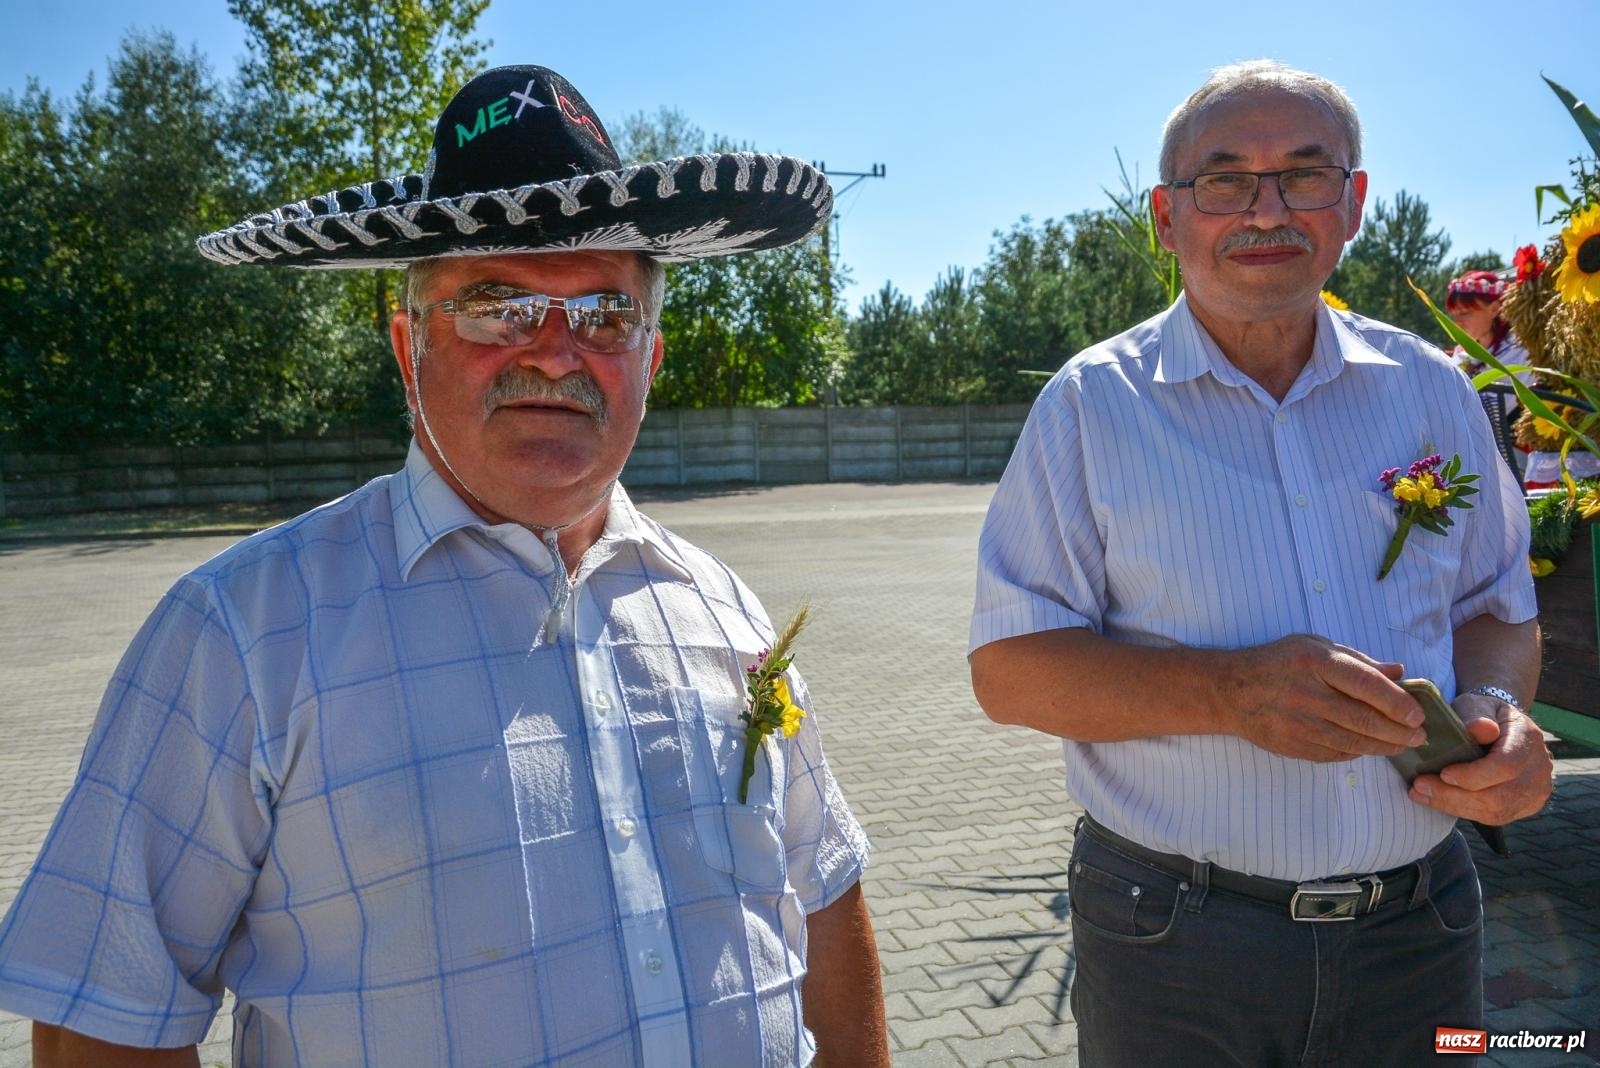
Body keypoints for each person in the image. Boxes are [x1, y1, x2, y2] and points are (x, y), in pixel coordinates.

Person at [0, 65, 888, 1068]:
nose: (553, 352)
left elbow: (821, 892)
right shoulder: (242, 635)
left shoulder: (720, 607)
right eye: (495, 304)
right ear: (404, 344)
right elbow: (102, 1018)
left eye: (602, 313)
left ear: (651, 354)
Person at [969, 60, 1552, 1066]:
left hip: (1423, 928)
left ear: (1355, 202)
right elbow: (1010, 670)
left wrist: (1501, 712)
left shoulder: (1431, 393)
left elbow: (1497, 609)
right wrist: (1229, 693)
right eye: (1224, 179)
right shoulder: (1091, 406)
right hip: (1174, 939)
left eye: (1305, 174)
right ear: (1166, 216)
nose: (1265, 209)